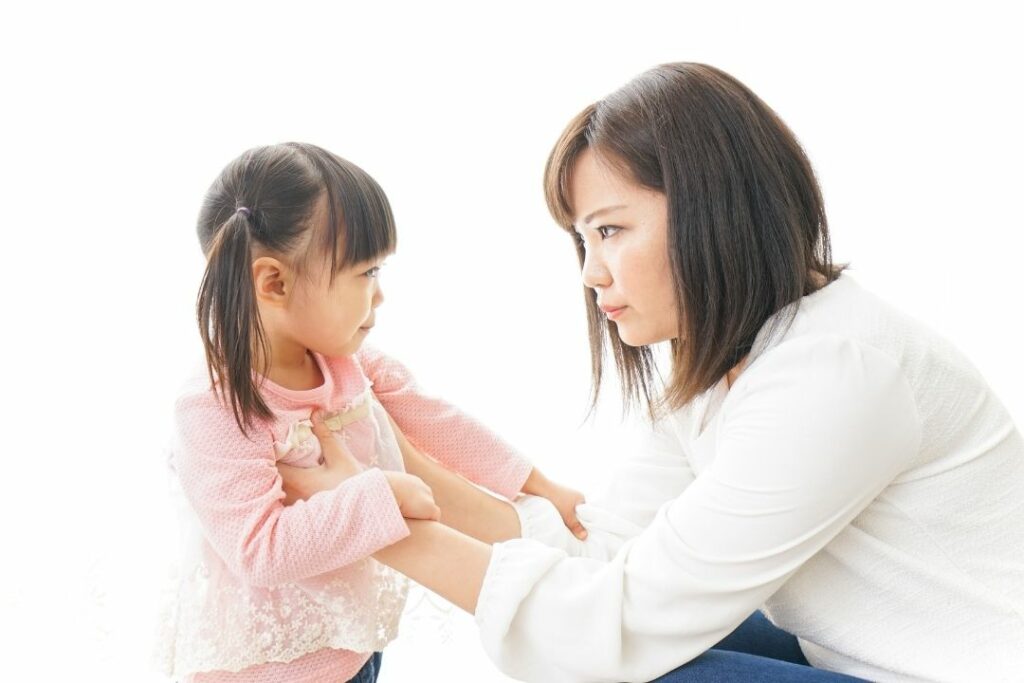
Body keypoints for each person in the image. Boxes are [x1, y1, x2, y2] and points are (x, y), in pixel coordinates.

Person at [282, 64, 1024, 682]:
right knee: (632, 638)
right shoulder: (733, 363)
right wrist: (396, 467)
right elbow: (603, 552)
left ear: (715, 209)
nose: (591, 272)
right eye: (583, 240)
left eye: (610, 229)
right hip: (859, 657)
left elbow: (616, 624)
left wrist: (365, 522)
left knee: (624, 662)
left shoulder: (837, 374)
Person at [153, 142, 585, 683]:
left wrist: (537, 483)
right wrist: (379, 492)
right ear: (274, 283)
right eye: (366, 273)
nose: (379, 296)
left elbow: (440, 423)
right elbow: (258, 548)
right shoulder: (214, 408)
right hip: (266, 671)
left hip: (351, 649)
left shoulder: (348, 363)